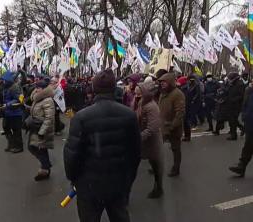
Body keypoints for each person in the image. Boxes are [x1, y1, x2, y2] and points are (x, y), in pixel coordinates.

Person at [64, 69, 141, 222]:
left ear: (93, 88)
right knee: (120, 217)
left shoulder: (81, 117)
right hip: (118, 182)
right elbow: (135, 153)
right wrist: (128, 180)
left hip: (89, 185)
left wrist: (74, 179)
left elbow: (71, 154)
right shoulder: (129, 115)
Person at [133, 82, 164, 198]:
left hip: (151, 142)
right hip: (141, 140)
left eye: (139, 92)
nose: (136, 94)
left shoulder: (152, 107)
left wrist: (138, 137)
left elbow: (152, 128)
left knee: (156, 165)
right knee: (133, 165)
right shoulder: (140, 103)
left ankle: (158, 188)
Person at [158, 73, 185, 177]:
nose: (162, 84)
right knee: (158, 147)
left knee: (175, 149)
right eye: (161, 83)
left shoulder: (178, 94)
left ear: (169, 83)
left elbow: (180, 113)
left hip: (173, 127)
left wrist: (173, 126)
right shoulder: (162, 94)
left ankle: (176, 168)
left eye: (164, 82)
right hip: (162, 126)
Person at [27, 78, 55, 181]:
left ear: (43, 89)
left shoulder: (47, 100)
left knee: (38, 148)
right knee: (37, 148)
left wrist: (42, 131)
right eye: (36, 87)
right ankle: (46, 166)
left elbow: (49, 118)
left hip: (42, 129)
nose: (36, 90)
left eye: (38, 88)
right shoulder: (38, 98)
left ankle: (45, 168)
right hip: (36, 127)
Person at [229, 78, 253, 177]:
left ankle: (241, 166)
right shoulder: (250, 92)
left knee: (248, 147)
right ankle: (241, 166)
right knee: (248, 147)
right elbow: (247, 105)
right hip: (250, 125)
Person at [1, 71, 24, 153]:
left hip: (15, 112)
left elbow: (19, 99)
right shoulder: (6, 87)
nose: (3, 81)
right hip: (8, 112)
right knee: (6, 128)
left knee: (16, 130)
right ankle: (11, 144)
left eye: (5, 80)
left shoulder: (15, 87)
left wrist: (8, 105)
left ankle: (18, 147)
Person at [224, 70, 245, 140]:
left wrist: (233, 100)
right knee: (232, 120)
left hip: (236, 105)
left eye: (230, 78)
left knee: (233, 120)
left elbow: (241, 95)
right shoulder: (232, 84)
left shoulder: (240, 84)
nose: (229, 79)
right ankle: (241, 128)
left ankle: (234, 135)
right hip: (230, 104)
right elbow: (228, 91)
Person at [176, 76, 191, 142]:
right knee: (185, 122)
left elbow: (184, 100)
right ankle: (187, 136)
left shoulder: (184, 90)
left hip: (185, 107)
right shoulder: (185, 88)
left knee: (185, 122)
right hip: (186, 107)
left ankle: (187, 136)